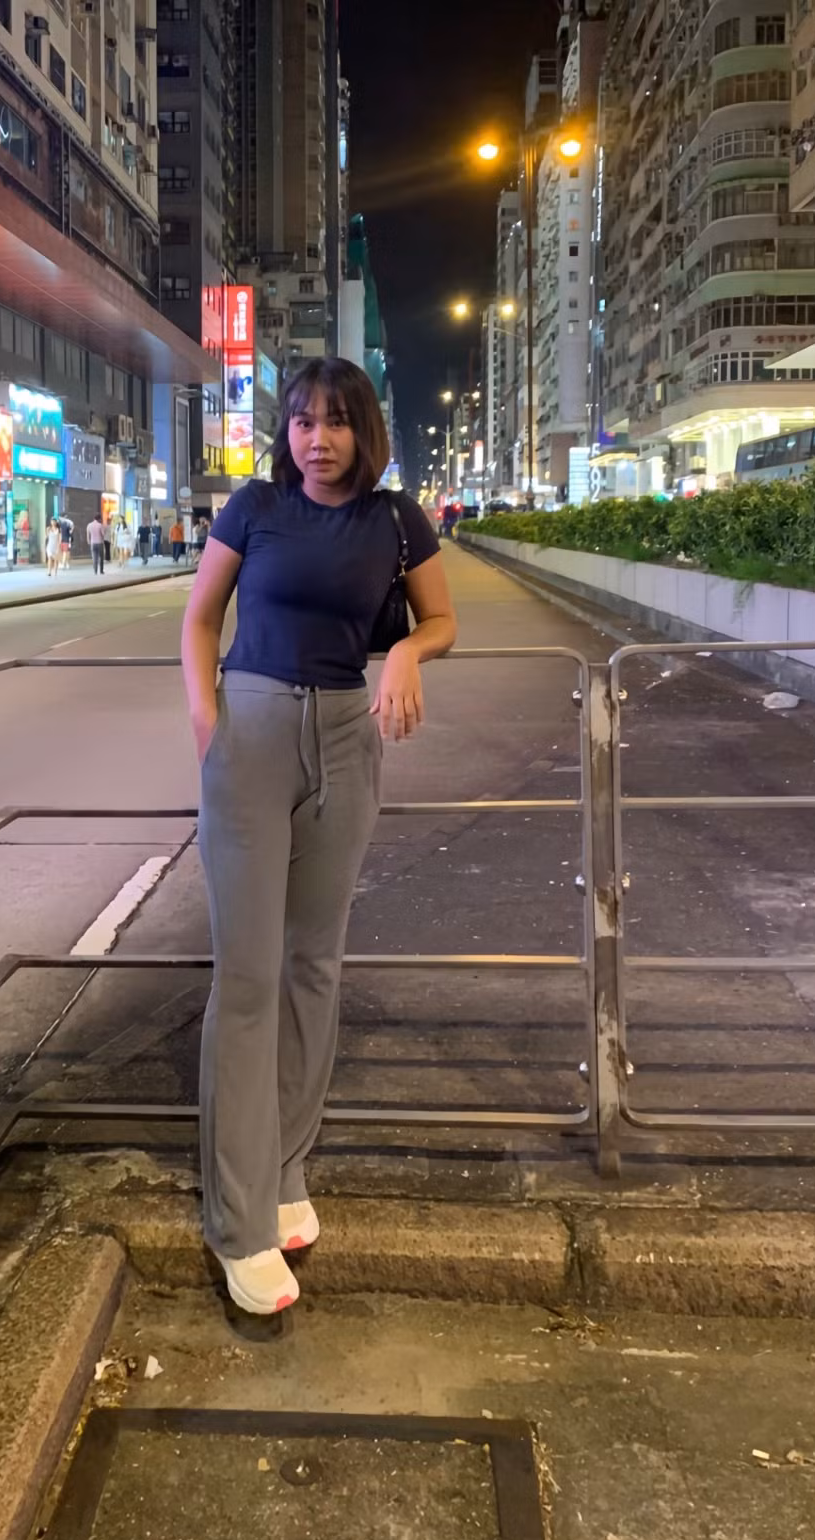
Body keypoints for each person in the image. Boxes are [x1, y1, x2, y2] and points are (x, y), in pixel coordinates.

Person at [180, 356, 456, 1316]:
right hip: (252, 731)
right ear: (286, 432)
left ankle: (284, 1167)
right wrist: (211, 725)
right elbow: (200, 619)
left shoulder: (396, 520)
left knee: (312, 969)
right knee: (248, 978)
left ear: (362, 432)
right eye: (302, 420)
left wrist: (408, 652)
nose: (317, 438)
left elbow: (442, 618)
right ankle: (238, 1221)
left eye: (336, 421)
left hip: (346, 733)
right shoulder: (254, 508)